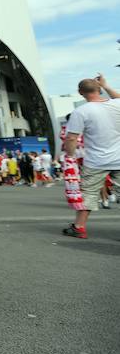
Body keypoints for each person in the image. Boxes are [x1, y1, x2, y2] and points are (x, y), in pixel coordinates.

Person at [61, 75, 120, 238]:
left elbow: (71, 137)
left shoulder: (80, 111)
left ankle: (79, 227)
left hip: (96, 160)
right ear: (99, 89)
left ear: (80, 92)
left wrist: (70, 156)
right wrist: (106, 86)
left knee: (89, 193)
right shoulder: (117, 104)